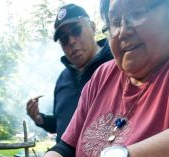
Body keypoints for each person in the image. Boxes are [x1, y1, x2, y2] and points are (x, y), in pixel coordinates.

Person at [23, 0, 169, 157]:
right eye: (115, 22)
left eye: (137, 13)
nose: (123, 31)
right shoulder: (102, 76)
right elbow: (67, 146)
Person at [26, 3, 112, 143]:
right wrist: (40, 119)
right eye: (64, 38)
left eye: (76, 30)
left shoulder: (117, 63)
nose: (71, 41)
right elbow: (62, 125)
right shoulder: (63, 79)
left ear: (93, 27)